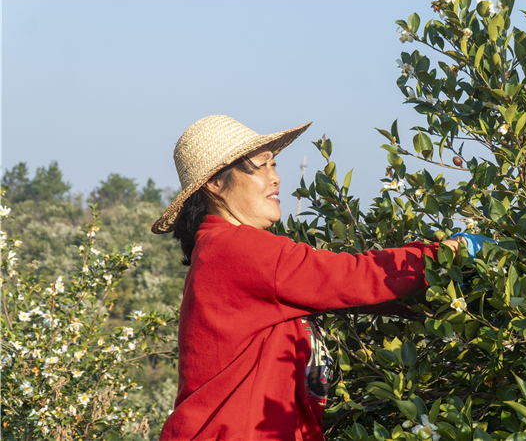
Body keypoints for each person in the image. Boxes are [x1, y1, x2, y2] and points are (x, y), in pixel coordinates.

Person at [152, 115, 493, 440]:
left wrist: (443, 291)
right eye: (262, 166)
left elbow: (343, 295)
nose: (276, 178)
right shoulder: (235, 247)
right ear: (215, 183)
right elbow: (349, 277)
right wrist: (446, 253)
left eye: (274, 165)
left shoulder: (221, 249)